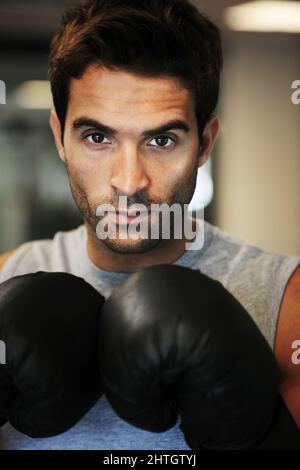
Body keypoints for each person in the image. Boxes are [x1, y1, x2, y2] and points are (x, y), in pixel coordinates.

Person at [0, 0, 299, 450]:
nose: (128, 182)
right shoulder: (2, 282)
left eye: (161, 140)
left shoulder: (287, 304)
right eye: (97, 137)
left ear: (204, 144)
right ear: (59, 136)